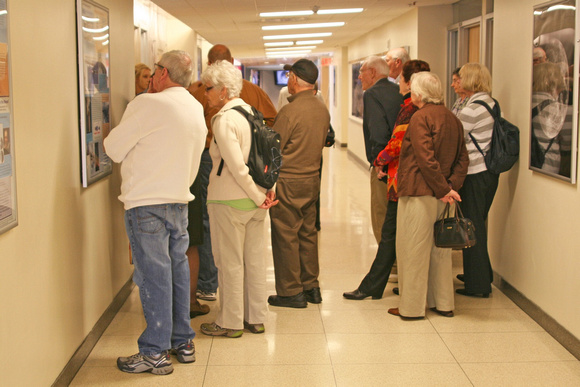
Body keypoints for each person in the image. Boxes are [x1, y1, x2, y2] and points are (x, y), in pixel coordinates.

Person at [104, 50, 207, 375]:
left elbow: (112, 149)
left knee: (153, 276)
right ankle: (182, 342)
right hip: (179, 201)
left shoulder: (147, 104)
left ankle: (154, 352)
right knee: (176, 272)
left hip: (146, 204)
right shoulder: (194, 107)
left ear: (162, 74)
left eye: (155, 70)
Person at [190, 44, 277, 303]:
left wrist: (258, 195)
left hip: (223, 178)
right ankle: (256, 316)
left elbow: (236, 167)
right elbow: (271, 139)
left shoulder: (221, 116)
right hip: (255, 187)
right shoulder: (252, 99)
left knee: (228, 257)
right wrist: (266, 190)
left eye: (209, 89)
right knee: (253, 260)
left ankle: (225, 311)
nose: (206, 94)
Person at [343, 60, 430, 301]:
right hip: (414, 176)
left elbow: (384, 135)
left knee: (386, 223)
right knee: (397, 227)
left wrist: (379, 161)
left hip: (395, 173)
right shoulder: (430, 109)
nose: (360, 79)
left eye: (401, 80)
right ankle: (379, 281)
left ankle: (389, 276)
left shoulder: (388, 101)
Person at [387, 72, 468, 319]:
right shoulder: (453, 118)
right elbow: (463, 159)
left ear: (419, 94)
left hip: (419, 194)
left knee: (413, 251)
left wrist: (443, 189)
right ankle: (443, 304)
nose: (410, 92)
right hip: (445, 197)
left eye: (412, 89)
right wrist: (450, 188)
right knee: (440, 252)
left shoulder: (420, 117)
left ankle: (411, 308)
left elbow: (425, 157)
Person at [268, 59, 330, 308]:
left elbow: (274, 149)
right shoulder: (321, 109)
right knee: (307, 234)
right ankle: (311, 286)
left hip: (288, 182)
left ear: (294, 79)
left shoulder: (290, 111)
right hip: (311, 179)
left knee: (285, 234)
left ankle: (291, 291)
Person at [455, 63, 498, 298]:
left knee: (471, 229)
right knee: (477, 225)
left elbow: (455, 137)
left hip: (475, 174)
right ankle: (480, 274)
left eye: (460, 78)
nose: (457, 82)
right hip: (488, 174)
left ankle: (478, 285)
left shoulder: (472, 109)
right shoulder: (490, 103)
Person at [359, 56, 404, 245]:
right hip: (401, 163)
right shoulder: (398, 91)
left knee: (381, 213)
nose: (359, 77)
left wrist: (379, 162)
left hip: (384, 165)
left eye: (361, 73)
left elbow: (377, 130)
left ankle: (388, 263)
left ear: (372, 72)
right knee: (396, 214)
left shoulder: (372, 94)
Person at [531, 62, 567, 174]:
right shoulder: (556, 108)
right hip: (548, 164)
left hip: (530, 161)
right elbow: (568, 142)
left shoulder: (527, 102)